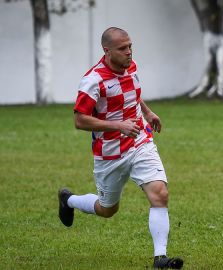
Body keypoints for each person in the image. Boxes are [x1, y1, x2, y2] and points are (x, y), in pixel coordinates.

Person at [57, 27, 183, 270]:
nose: (129, 52)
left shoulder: (130, 66)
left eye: (130, 46)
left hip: (139, 140)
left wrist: (147, 112)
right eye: (122, 48)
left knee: (160, 193)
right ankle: (68, 200)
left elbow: (131, 92)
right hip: (109, 153)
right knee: (107, 210)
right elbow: (79, 120)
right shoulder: (93, 80)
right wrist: (118, 125)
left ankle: (160, 259)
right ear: (107, 51)